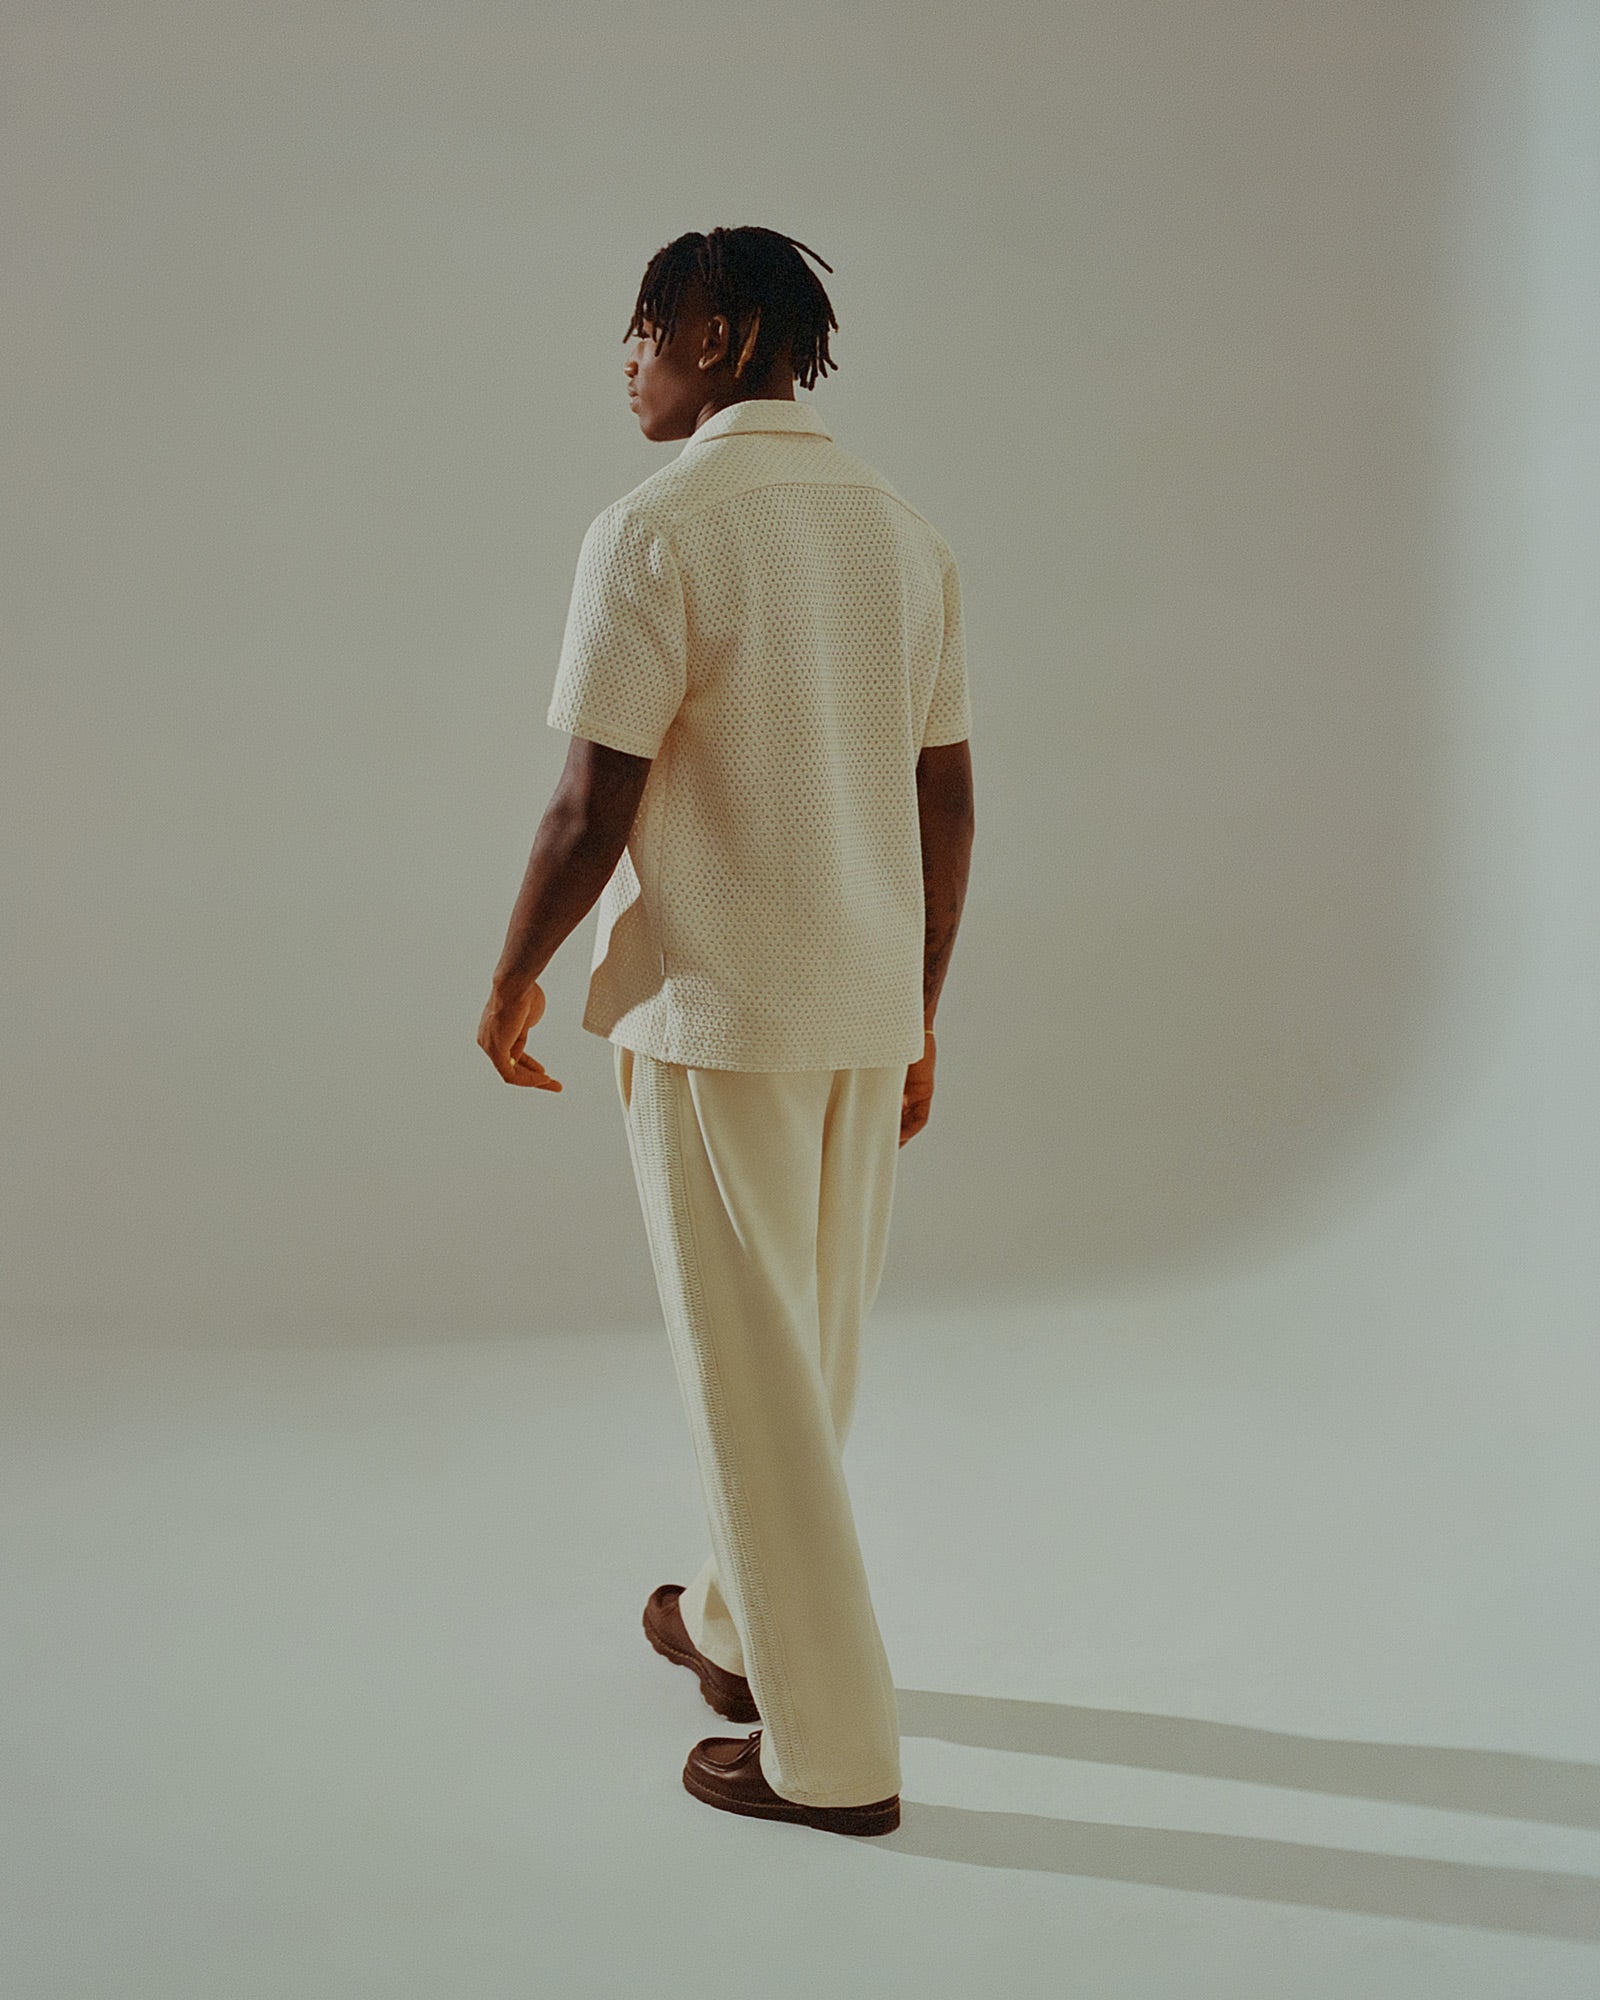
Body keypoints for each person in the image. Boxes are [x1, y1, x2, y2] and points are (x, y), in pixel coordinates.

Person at [477, 225, 975, 1836]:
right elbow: (946, 797)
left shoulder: (656, 529)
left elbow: (591, 800)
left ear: (721, 332)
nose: (627, 358)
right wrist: (919, 1010)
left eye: (646, 327)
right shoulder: (903, 532)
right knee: (805, 1352)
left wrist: (511, 976)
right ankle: (734, 1622)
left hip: (719, 1005)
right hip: (859, 1002)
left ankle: (833, 1754)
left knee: (749, 1373)